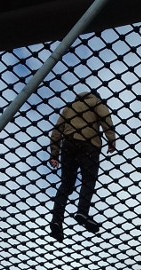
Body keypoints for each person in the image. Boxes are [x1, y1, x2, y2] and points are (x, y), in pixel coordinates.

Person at [48, 90, 117, 241]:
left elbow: (57, 131)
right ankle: (82, 212)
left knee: (66, 185)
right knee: (89, 179)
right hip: (89, 144)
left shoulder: (70, 107)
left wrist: (54, 154)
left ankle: (56, 221)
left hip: (68, 145)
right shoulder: (96, 102)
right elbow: (106, 119)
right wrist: (111, 140)